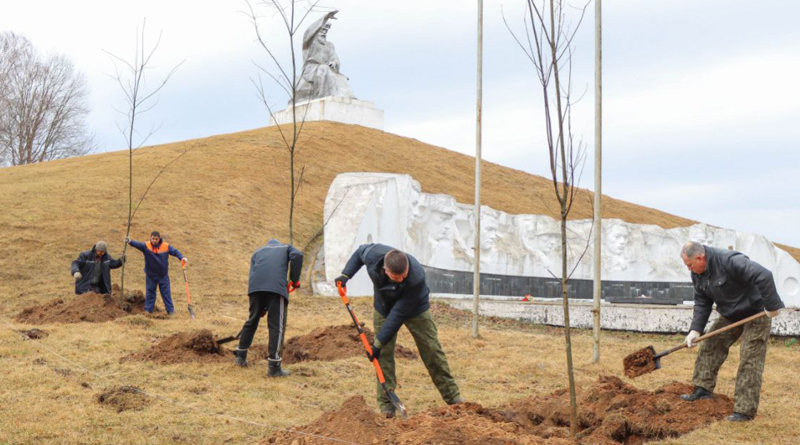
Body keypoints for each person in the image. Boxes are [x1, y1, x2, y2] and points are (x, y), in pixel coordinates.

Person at [335, 244, 462, 418]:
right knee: (383, 357)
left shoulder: (416, 277)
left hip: (415, 308)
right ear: (385, 270)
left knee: (432, 350)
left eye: (404, 275)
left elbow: (398, 315)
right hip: (383, 307)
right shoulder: (373, 255)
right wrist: (345, 275)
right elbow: (359, 252)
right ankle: (387, 407)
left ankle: (454, 399)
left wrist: (377, 344)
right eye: (397, 277)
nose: (402, 279)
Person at [679, 241, 784, 422]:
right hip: (731, 312)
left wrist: (772, 306)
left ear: (700, 257)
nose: (689, 269)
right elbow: (702, 301)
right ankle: (703, 389)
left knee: (750, 358)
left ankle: (744, 410)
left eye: (690, 265)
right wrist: (695, 330)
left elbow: (764, 275)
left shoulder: (729, 260)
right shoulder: (697, 273)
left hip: (757, 312)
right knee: (711, 344)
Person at [234, 239, 303, 378]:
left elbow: (255, 272)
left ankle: (240, 357)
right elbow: (298, 255)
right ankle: (274, 368)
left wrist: (261, 306)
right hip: (276, 288)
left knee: (252, 320)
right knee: (276, 326)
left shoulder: (257, 252)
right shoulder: (286, 248)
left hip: (255, 288)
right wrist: (294, 279)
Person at [294, 10, 355, 103]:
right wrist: (325, 17)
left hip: (327, 68)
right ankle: (321, 95)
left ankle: (343, 96)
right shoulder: (309, 43)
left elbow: (335, 59)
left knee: (336, 76)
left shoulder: (330, 45)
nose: (324, 32)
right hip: (310, 69)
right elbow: (309, 32)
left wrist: (334, 62)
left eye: (326, 31)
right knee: (323, 69)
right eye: (322, 30)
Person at [124, 231, 186, 315]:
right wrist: (130, 241)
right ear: (150, 238)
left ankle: (170, 311)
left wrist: (182, 258)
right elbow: (137, 244)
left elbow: (175, 251)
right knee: (150, 293)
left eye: (156, 239)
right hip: (151, 276)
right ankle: (148, 311)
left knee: (166, 294)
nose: (154, 240)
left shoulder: (166, 246)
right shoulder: (146, 246)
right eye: (153, 238)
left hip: (163, 276)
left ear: (159, 239)